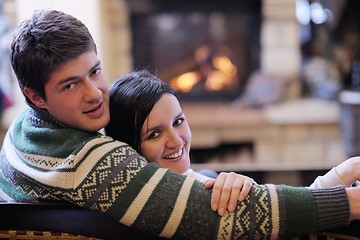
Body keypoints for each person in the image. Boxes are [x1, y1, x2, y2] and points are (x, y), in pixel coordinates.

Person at [1, 9, 360, 240]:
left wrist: (209, 180)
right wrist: (348, 202)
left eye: (95, 71)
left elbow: (179, 188)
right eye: (70, 85)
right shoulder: (89, 161)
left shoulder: (22, 133)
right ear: (35, 96)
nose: (95, 93)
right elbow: (216, 218)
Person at [105, 69, 254, 217]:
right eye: (154, 134)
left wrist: (245, 190)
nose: (176, 141)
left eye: (178, 121)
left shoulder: (206, 182)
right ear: (127, 148)